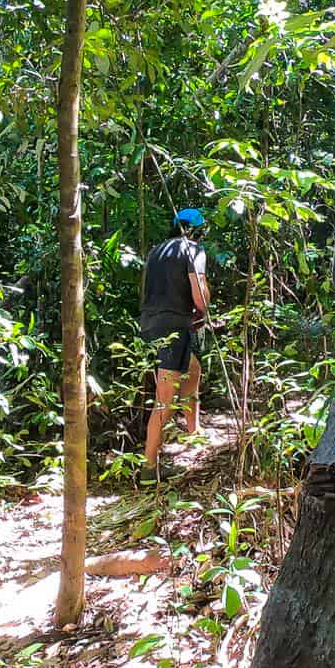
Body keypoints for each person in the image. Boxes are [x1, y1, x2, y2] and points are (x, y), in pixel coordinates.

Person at [138, 208, 211, 485]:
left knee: (192, 369)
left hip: (151, 324)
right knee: (165, 398)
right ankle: (148, 469)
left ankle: (193, 432)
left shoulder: (157, 252)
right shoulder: (193, 250)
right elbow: (200, 296)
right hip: (173, 327)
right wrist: (204, 310)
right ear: (195, 230)